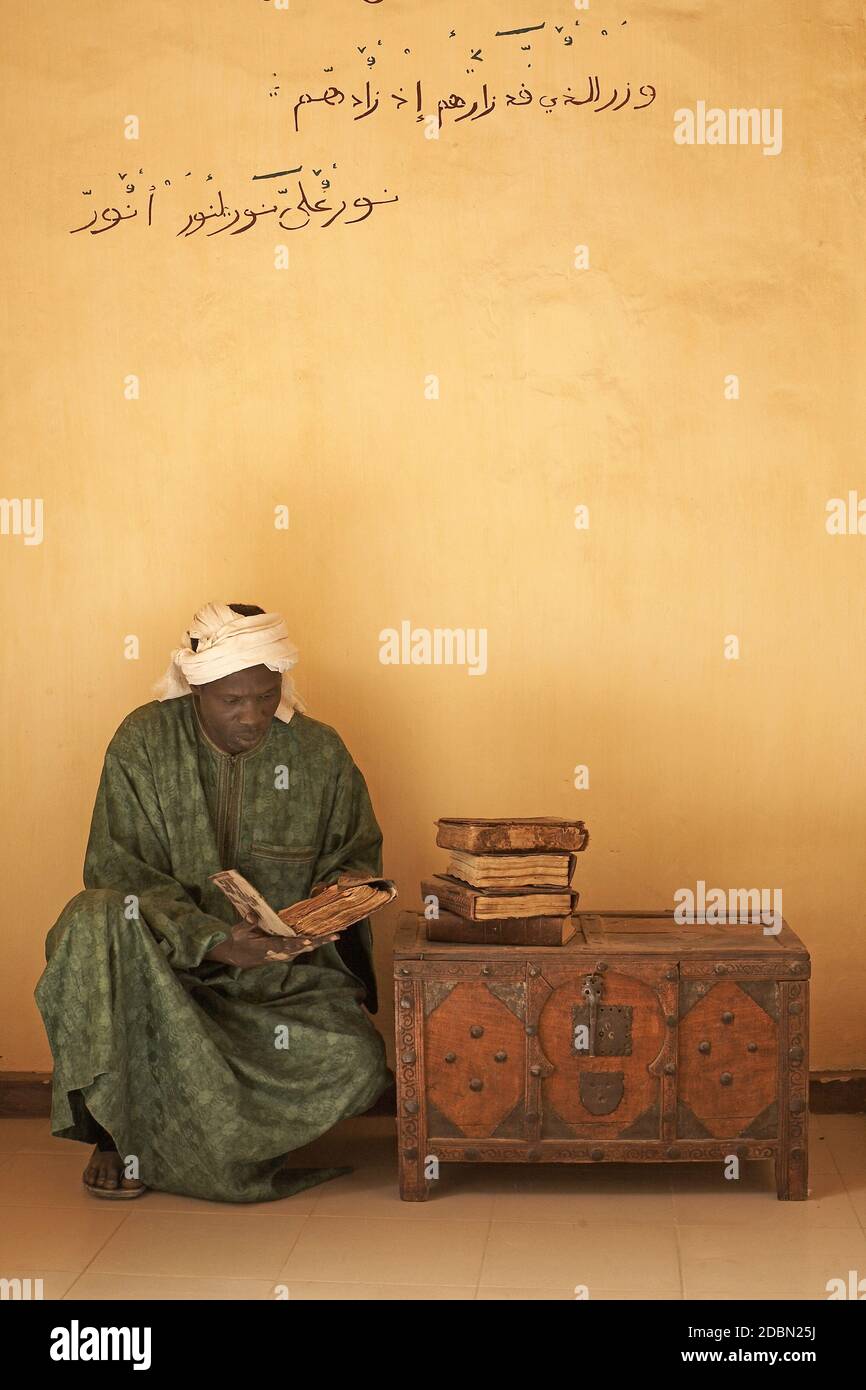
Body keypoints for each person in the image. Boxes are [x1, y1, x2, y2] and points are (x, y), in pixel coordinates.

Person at [34, 601, 393, 1202]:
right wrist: (213, 940)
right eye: (233, 700)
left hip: (279, 985)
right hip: (165, 977)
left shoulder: (319, 751)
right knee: (90, 916)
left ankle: (214, 1137)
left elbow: (353, 852)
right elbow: (117, 871)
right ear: (196, 689)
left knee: (357, 1062)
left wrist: (335, 904)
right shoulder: (144, 741)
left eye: (266, 694)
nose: (252, 715)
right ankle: (117, 1134)